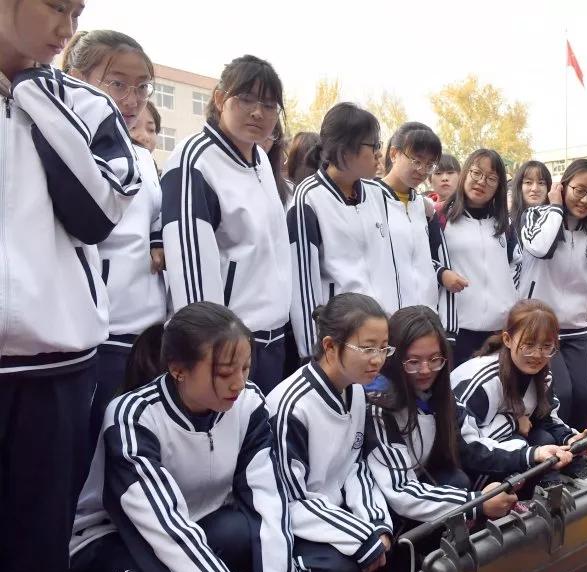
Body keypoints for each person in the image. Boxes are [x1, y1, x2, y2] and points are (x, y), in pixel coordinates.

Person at [0, 3, 143, 572]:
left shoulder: (81, 104)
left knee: (37, 544)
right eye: (56, 5)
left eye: (77, 11)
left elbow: (98, 212)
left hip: (55, 361)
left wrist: (38, 94)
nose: (67, 24)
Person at [71, 302, 312, 572]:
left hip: (198, 525)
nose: (239, 383)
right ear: (178, 370)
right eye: (226, 371)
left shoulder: (248, 403)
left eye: (246, 368)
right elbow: (166, 531)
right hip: (115, 541)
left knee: (245, 532)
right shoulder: (132, 416)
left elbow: (269, 500)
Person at [63, 30, 169, 453]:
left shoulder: (142, 155)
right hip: (99, 329)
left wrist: (159, 241)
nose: (133, 98)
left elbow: (156, 215)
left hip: (147, 326)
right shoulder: (69, 144)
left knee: (133, 443)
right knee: (92, 443)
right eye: (118, 84)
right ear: (77, 77)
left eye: (143, 86)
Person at [161, 55, 291, 394]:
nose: (257, 112)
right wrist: (211, 352)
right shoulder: (195, 162)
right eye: (245, 99)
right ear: (220, 99)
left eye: (268, 104)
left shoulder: (260, 158)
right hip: (227, 349)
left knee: (259, 441)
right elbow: (190, 270)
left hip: (272, 340)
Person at [267, 292, 399, 572]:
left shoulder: (353, 389)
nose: (378, 359)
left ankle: (361, 566)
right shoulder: (292, 407)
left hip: (331, 510)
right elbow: (290, 500)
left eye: (383, 348)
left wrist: (375, 526)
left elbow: (354, 465)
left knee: (394, 524)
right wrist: (361, 538)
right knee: (336, 570)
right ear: (329, 346)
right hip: (291, 520)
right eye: (367, 348)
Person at [364, 305, 516, 525]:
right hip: (384, 501)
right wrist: (476, 503)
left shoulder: (437, 394)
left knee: (457, 479)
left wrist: (531, 454)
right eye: (413, 362)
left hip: (419, 480)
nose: (426, 370)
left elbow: (469, 446)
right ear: (394, 358)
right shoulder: (379, 406)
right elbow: (399, 491)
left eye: (435, 359)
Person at [517, 159, 587, 432]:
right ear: (562, 186)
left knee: (586, 394)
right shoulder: (537, 215)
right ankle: (555, 454)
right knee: (560, 394)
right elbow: (540, 248)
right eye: (579, 190)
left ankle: (578, 452)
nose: (585, 200)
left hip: (576, 326)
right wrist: (554, 208)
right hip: (539, 325)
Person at [287, 102, 398, 360]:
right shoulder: (308, 199)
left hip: (380, 333)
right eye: (374, 146)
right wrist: (313, 353)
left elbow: (386, 266)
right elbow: (303, 284)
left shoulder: (375, 194)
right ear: (346, 149)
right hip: (340, 339)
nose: (379, 155)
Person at [451, 300, 587, 493]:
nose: (537, 355)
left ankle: (543, 485)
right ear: (507, 339)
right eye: (528, 345)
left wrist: (571, 439)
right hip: (462, 457)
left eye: (547, 346)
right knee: (526, 443)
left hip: (503, 443)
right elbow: (466, 445)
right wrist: (516, 424)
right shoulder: (483, 380)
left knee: (543, 436)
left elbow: (545, 417)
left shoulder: (543, 375)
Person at [434, 149, 515, 365]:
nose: (481, 182)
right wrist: (442, 274)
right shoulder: (441, 218)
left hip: (499, 330)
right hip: (458, 329)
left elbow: (515, 267)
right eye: (476, 173)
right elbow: (425, 262)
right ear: (465, 174)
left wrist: (511, 310)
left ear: (499, 185)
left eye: (491, 178)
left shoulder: (504, 224)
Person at [371, 121, 448, 309]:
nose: (422, 170)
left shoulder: (424, 207)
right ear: (394, 154)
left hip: (423, 318)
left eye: (430, 164)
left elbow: (432, 258)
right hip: (383, 318)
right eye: (416, 160)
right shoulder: (369, 197)